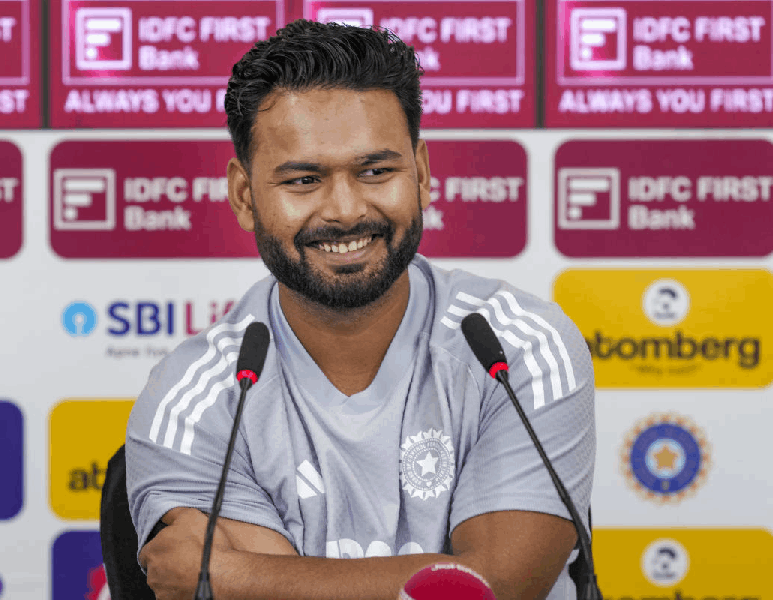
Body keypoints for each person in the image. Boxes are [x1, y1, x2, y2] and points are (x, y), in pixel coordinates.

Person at [126, 18, 596, 600]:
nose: (346, 210)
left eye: (376, 172)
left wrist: (239, 576)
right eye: (303, 179)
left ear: (421, 174)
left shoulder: (517, 344)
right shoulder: (194, 396)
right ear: (245, 197)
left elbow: (496, 588)